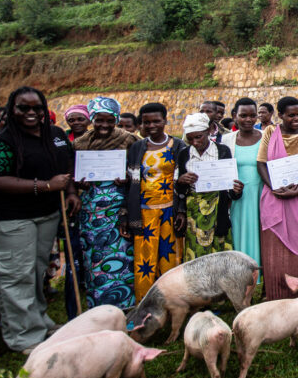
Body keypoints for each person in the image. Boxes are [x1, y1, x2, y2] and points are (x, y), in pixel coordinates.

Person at [0, 86, 78, 353]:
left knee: (35, 273)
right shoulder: (2, 140)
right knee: (16, 275)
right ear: (13, 109)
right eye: (24, 108)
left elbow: (67, 164)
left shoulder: (55, 135)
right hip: (11, 218)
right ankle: (23, 336)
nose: (31, 113)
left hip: (45, 215)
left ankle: (39, 322)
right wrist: (45, 186)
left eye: (37, 108)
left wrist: (69, 191)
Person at [72, 97, 139, 309]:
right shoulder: (80, 144)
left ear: (117, 119)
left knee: (123, 254)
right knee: (94, 257)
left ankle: (126, 302)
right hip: (91, 209)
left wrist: (128, 178)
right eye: (99, 120)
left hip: (119, 207)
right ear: (91, 118)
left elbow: (138, 172)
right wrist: (79, 183)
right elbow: (72, 174)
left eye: (109, 120)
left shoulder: (130, 141)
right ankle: (98, 303)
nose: (104, 125)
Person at [124, 102, 186, 301]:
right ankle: (146, 307)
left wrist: (181, 211)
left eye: (156, 121)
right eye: (146, 122)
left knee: (170, 260)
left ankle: (172, 303)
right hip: (143, 213)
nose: (151, 126)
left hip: (169, 210)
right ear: (141, 123)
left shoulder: (178, 146)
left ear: (165, 121)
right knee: (145, 261)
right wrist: (126, 214)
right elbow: (130, 183)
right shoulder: (136, 148)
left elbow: (184, 180)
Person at [257, 96, 298, 298]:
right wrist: (274, 187)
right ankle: (275, 293)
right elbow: (261, 163)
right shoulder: (270, 132)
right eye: (291, 115)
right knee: (274, 247)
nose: (296, 118)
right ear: (280, 115)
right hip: (274, 196)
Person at [176, 113, 243, 261]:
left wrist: (236, 190)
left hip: (218, 207)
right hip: (194, 211)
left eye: (198, 137)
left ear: (208, 132)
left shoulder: (222, 151)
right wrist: (181, 181)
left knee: (219, 248)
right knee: (195, 247)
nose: (194, 142)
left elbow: (229, 183)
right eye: (190, 138)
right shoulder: (184, 154)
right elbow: (179, 190)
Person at [222, 98, 263, 265]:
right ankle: (242, 271)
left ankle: (261, 274)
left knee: (260, 233)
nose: (248, 120)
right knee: (240, 232)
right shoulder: (226, 140)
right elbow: (223, 169)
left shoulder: (266, 137)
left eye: (253, 116)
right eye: (243, 115)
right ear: (234, 116)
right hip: (238, 197)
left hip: (261, 195)